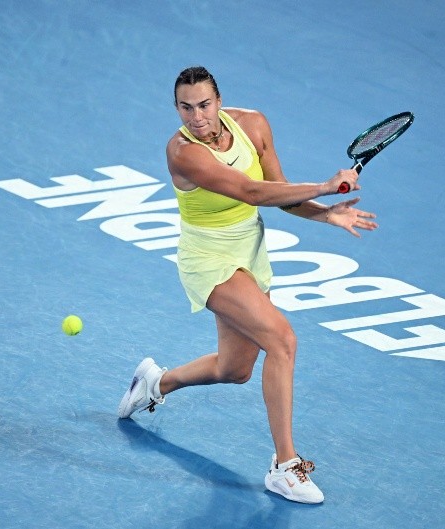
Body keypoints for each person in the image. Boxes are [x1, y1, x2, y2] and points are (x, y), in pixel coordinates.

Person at [118, 66, 378, 504]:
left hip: (250, 251)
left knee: (234, 369)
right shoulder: (183, 153)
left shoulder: (253, 126)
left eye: (204, 105)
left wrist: (325, 213)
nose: (197, 117)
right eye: (186, 108)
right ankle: (285, 466)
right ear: (176, 109)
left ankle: (155, 383)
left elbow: (279, 193)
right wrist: (324, 187)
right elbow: (251, 192)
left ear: (219, 101)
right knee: (282, 340)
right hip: (208, 259)